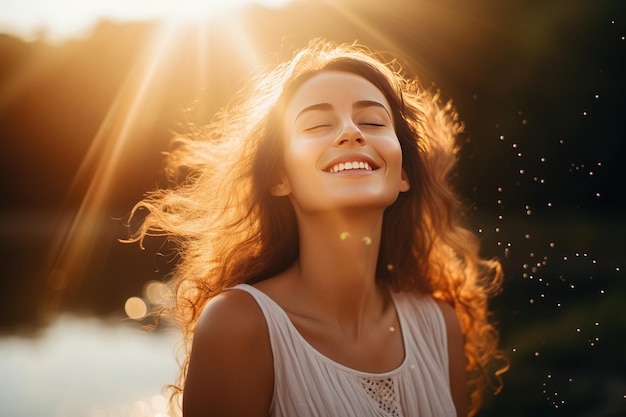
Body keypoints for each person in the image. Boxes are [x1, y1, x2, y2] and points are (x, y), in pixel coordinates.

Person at [127, 39, 507, 417]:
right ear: (280, 176)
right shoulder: (238, 326)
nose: (350, 132)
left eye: (373, 121)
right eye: (317, 124)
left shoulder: (439, 324)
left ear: (403, 172)